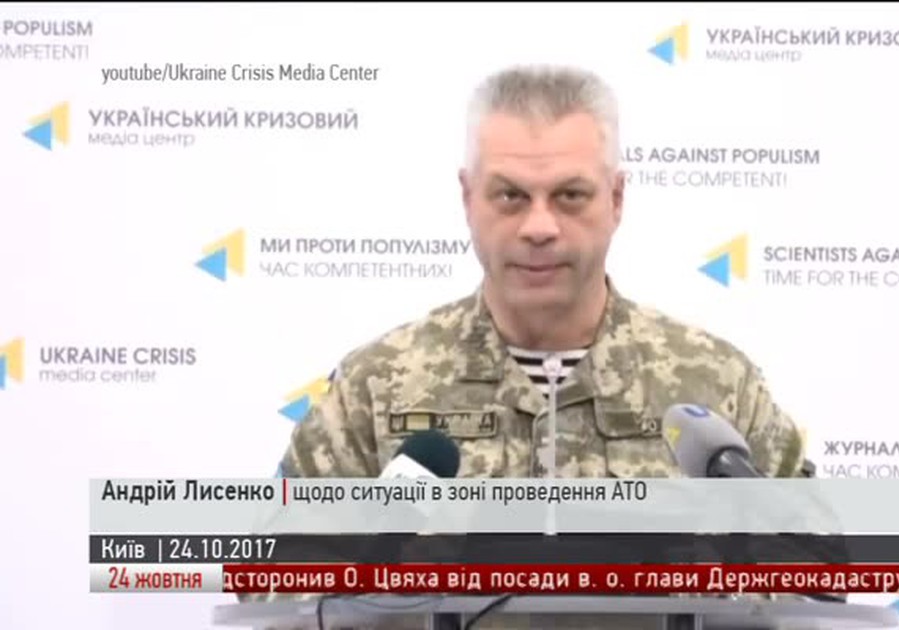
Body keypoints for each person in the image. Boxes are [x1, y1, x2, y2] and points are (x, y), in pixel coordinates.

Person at [265, 64, 811, 629]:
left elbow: (817, 581)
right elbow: (274, 587)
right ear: (468, 198)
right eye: (510, 196)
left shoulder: (716, 387)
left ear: (616, 199)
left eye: (571, 196)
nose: (540, 226)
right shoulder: (377, 388)